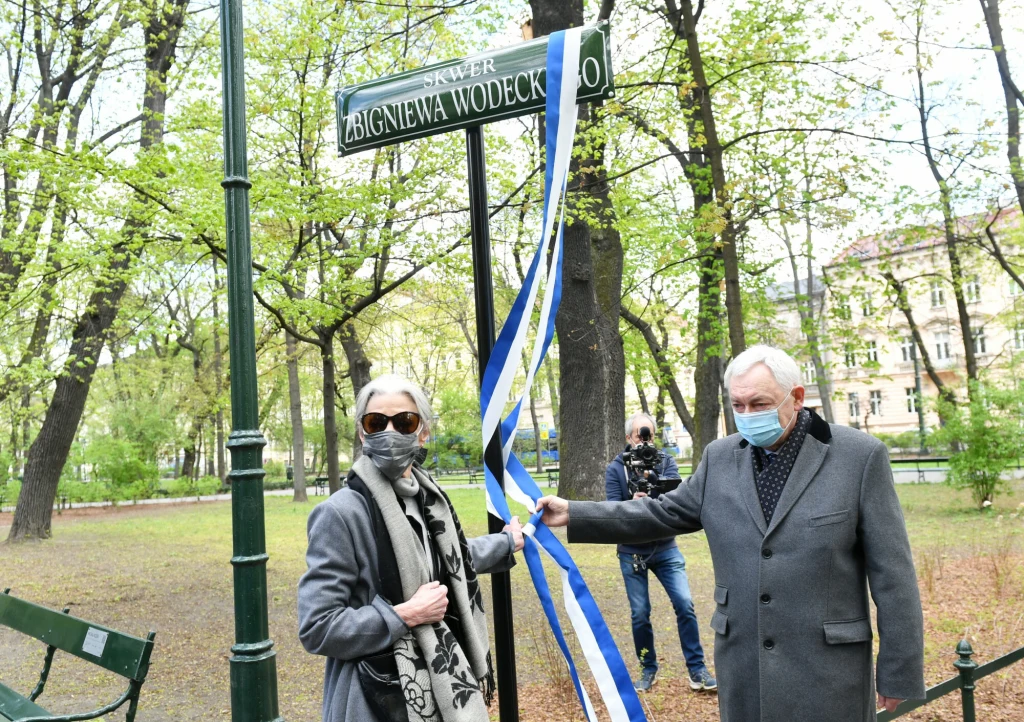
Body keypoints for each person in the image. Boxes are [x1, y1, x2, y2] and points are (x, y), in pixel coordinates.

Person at [537, 345, 925, 722]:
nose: (746, 415)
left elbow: (894, 575)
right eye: (737, 405)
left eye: (758, 404)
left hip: (827, 672)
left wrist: (899, 671)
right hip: (743, 666)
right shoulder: (719, 458)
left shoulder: (859, 457)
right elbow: (663, 512)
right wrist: (574, 513)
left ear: (797, 398)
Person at [299, 374, 525, 722]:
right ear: (362, 433)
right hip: (376, 699)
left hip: (443, 686)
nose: (390, 433)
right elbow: (318, 627)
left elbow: (448, 561)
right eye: (376, 422)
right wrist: (405, 615)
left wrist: (507, 543)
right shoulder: (339, 514)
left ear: (424, 432)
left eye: (405, 421)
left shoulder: (428, 499)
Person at [607, 411, 716, 693]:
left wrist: (653, 482)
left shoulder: (665, 461)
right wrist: (632, 501)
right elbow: (611, 512)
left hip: (665, 547)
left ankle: (697, 670)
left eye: (649, 436)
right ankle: (647, 668)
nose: (644, 441)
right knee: (640, 613)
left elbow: (676, 499)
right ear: (628, 438)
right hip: (632, 551)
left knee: (685, 604)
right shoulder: (615, 468)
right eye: (638, 436)